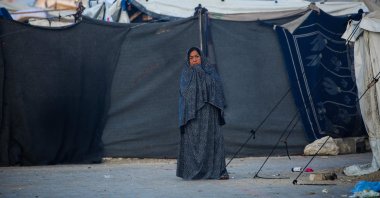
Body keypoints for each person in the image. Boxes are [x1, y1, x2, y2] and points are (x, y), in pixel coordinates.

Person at [176, 47, 229, 180]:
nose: (194, 60)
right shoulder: (185, 74)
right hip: (192, 115)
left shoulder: (209, 70)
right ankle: (193, 171)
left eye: (197, 57)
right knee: (194, 143)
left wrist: (200, 71)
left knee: (214, 141)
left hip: (209, 114)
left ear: (201, 57)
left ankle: (219, 171)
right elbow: (186, 93)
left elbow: (215, 87)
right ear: (188, 60)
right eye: (191, 58)